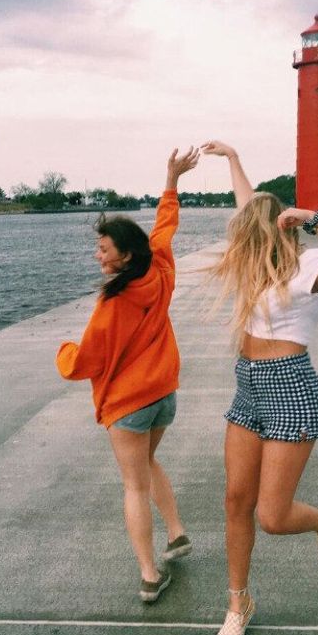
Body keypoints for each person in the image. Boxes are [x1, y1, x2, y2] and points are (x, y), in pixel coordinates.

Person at [200, 140, 318, 635]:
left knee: (272, 515)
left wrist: (315, 220)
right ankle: (238, 604)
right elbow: (249, 203)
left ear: (272, 230)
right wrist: (233, 159)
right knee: (235, 500)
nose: (242, 240)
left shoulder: (307, 265)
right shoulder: (253, 263)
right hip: (248, 385)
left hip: (291, 389)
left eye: (251, 231)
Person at [56, 147, 199, 604]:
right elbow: (165, 226)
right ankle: (176, 532)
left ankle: (150, 575)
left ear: (125, 255)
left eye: (103, 249)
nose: (97, 255)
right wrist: (172, 181)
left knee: (134, 484)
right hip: (163, 393)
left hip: (131, 403)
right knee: (148, 462)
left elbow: (85, 362)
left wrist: (64, 353)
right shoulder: (160, 268)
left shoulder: (114, 302)